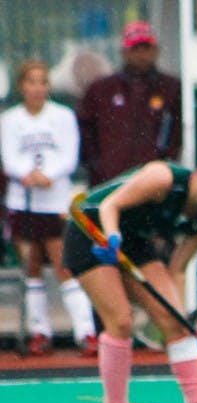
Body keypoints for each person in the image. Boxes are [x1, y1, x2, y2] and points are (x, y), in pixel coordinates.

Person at [61, 141, 197, 403]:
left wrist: (177, 313)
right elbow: (111, 205)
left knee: (177, 325)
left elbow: (176, 271)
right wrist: (111, 238)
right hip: (93, 232)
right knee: (120, 320)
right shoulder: (164, 178)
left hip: (135, 241)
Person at [1, 59, 98, 356]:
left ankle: (86, 332)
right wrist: (25, 173)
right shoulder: (10, 119)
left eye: (42, 82)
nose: (37, 88)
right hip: (23, 201)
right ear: (22, 87)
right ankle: (39, 330)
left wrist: (49, 175)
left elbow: (69, 155)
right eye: (31, 82)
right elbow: (9, 156)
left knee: (63, 265)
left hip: (54, 201)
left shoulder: (63, 116)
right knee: (31, 266)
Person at [76, 20, 181, 187]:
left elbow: (177, 131)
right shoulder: (102, 89)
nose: (141, 55)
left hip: (152, 182)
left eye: (146, 48)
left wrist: (165, 161)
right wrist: (96, 164)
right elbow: (85, 129)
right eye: (135, 49)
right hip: (108, 180)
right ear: (124, 52)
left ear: (156, 51)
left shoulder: (170, 88)